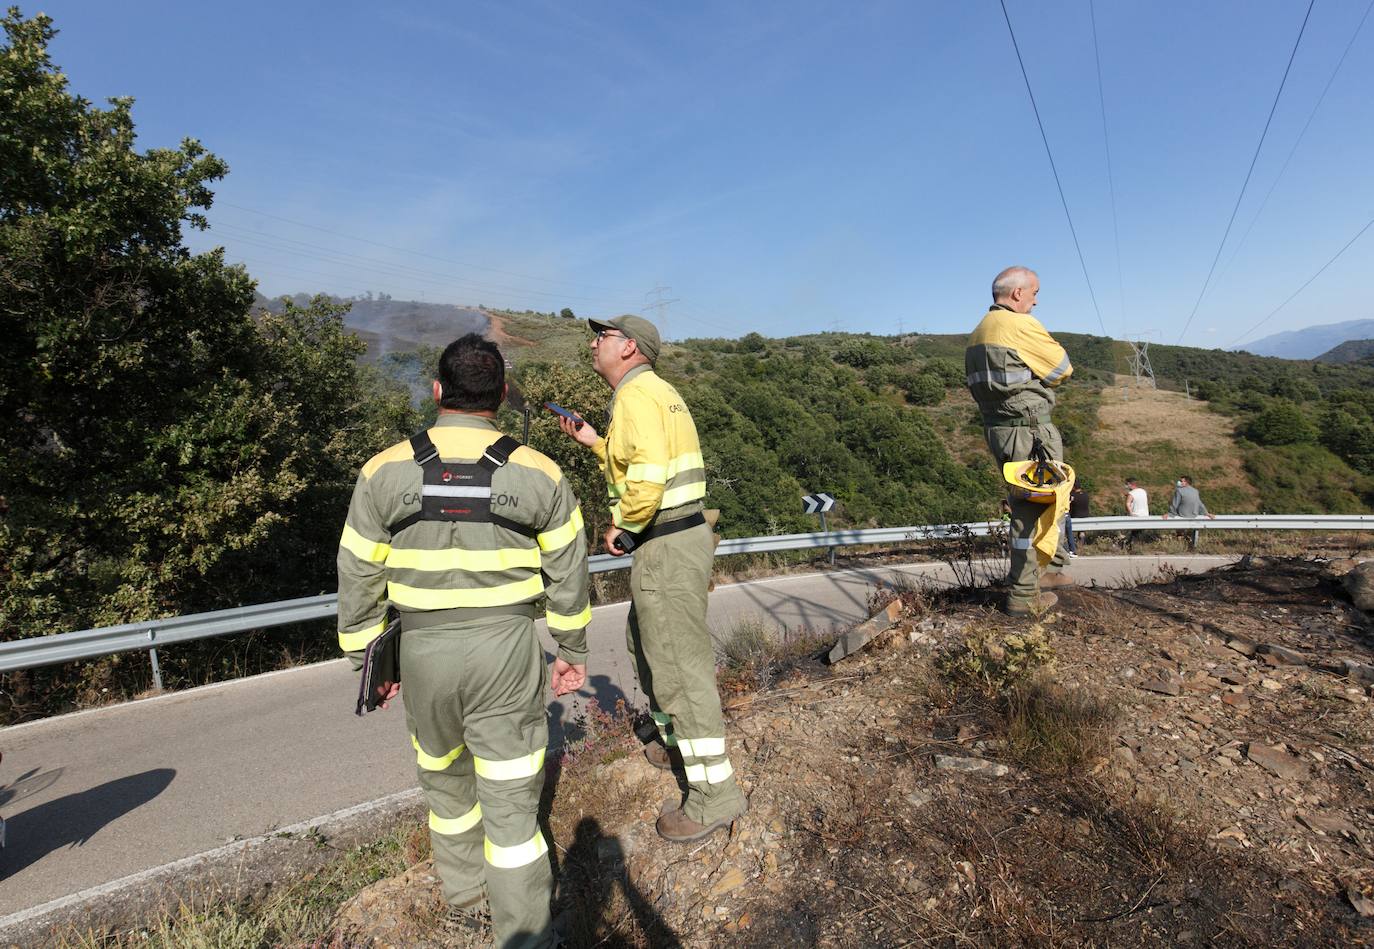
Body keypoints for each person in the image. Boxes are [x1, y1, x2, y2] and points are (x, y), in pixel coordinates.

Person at [337, 334, 590, 948]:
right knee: (510, 803)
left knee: (446, 787)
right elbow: (568, 570)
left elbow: (357, 570)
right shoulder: (540, 471)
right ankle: (526, 935)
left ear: (436, 391)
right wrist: (571, 650)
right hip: (505, 649)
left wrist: (369, 659)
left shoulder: (382, 469)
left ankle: (464, 902)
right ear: (500, 396)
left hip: (421, 651)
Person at [557, 314, 747, 842]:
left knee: (679, 665)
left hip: (664, 541)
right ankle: (673, 744)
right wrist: (596, 442)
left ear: (630, 347)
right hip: (671, 540)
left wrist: (623, 523)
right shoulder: (654, 393)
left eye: (603, 336)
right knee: (649, 645)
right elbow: (637, 460)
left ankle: (714, 796)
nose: (594, 343)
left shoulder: (636, 397)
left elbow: (646, 477)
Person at [965, 266, 1075, 615]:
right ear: (1017, 294)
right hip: (1030, 432)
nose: (1036, 301)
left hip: (1000, 430)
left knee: (1039, 502)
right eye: (1035, 293)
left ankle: (1051, 571)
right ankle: (1024, 597)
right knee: (1032, 510)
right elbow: (1062, 369)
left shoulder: (980, 330)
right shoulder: (1019, 324)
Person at [1163, 475, 1215, 549]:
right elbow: (1200, 503)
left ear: (1186, 482)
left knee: (1179, 527)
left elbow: (1175, 504)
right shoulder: (1195, 491)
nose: (1179, 482)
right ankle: (1190, 542)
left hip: (1183, 514)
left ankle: (1180, 542)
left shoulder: (1179, 490)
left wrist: (1169, 514)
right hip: (1194, 515)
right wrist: (1207, 513)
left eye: (1181, 481)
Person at [1124, 477, 1150, 550]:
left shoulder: (1131, 494)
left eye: (1126, 484)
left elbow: (1127, 504)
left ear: (1129, 484)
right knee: (1138, 533)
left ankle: (1131, 547)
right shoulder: (1143, 491)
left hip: (1136, 516)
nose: (1126, 486)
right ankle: (1135, 547)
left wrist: (1130, 513)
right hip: (1145, 515)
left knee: (1135, 533)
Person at [1065, 481, 1089, 557]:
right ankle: (1081, 545)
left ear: (1074, 487)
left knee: (1070, 533)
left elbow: (1069, 505)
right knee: (1082, 532)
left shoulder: (1072, 495)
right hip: (1085, 516)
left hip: (1075, 516)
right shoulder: (1086, 495)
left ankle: (1073, 547)